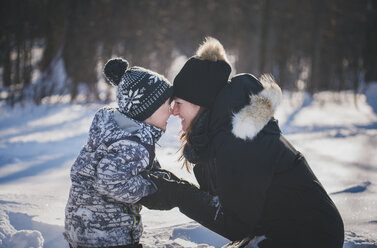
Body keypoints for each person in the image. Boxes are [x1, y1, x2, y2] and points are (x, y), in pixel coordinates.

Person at [139, 37, 344, 248]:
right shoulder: (221, 134)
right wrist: (172, 185)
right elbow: (223, 202)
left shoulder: (241, 140)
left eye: (178, 102)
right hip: (280, 232)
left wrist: (177, 194)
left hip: (309, 237)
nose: (173, 111)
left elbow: (235, 224)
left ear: (200, 101)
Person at [64, 58, 175, 248]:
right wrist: (148, 186)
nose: (172, 111)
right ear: (147, 109)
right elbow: (109, 182)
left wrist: (157, 174)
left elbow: (131, 166)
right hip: (108, 234)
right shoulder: (133, 143)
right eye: (167, 104)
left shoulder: (119, 133)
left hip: (83, 228)